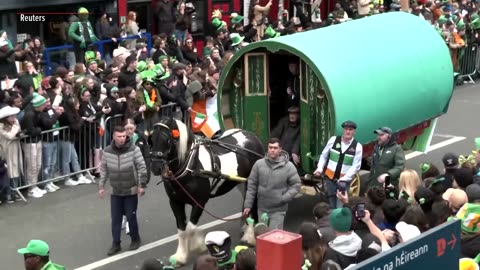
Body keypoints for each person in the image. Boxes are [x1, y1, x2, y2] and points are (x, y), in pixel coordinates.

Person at [98, 125, 148, 256]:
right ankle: (116, 243)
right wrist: (101, 186)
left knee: (131, 217)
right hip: (115, 191)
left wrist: (142, 185)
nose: (122, 139)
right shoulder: (107, 151)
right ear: (113, 137)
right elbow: (103, 169)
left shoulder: (134, 149)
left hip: (130, 190)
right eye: (119, 136)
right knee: (115, 219)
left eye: (124, 136)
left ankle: (135, 239)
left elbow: (142, 167)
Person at [243, 137, 301, 229]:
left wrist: (283, 198)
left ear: (280, 149)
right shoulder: (259, 164)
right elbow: (251, 186)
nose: (272, 150)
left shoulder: (289, 167)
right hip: (262, 210)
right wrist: (248, 205)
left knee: (274, 238)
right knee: (262, 236)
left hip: (278, 211)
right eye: (270, 147)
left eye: (275, 148)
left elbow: (296, 185)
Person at [314, 121, 363, 208]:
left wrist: (344, 179)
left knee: (340, 206)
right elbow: (324, 155)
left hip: (343, 183)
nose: (348, 131)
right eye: (346, 129)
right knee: (331, 205)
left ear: (354, 131)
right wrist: (319, 168)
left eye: (350, 130)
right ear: (343, 130)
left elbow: (356, 166)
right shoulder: (333, 140)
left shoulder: (357, 147)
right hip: (329, 179)